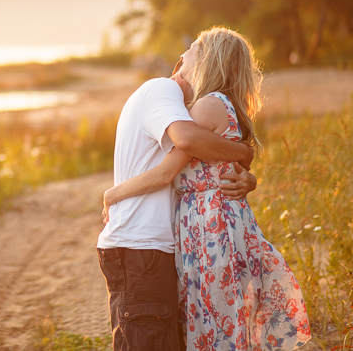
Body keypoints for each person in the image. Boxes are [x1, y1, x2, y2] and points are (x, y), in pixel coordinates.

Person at [102, 27, 311, 350]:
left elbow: (170, 168)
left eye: (195, 47)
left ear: (207, 60)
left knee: (213, 323)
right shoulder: (209, 105)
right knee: (219, 319)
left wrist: (112, 193)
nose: (183, 52)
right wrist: (245, 160)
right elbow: (224, 163)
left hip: (206, 232)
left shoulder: (204, 107)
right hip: (208, 230)